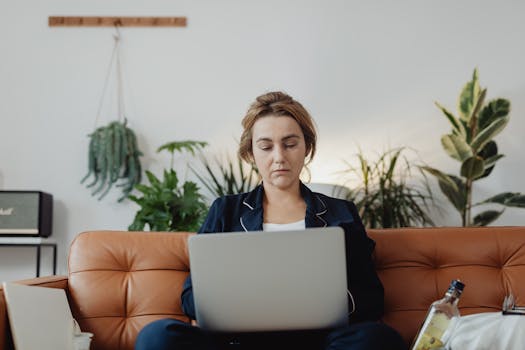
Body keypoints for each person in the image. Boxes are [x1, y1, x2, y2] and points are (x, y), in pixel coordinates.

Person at [135, 91, 407, 350]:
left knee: (379, 339)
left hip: (318, 342)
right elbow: (190, 297)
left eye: (290, 144)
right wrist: (237, 305)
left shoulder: (341, 213)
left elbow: (371, 296)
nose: (279, 157)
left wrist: (326, 304)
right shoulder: (225, 210)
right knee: (157, 337)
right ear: (251, 154)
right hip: (238, 342)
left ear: (307, 147)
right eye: (266, 147)